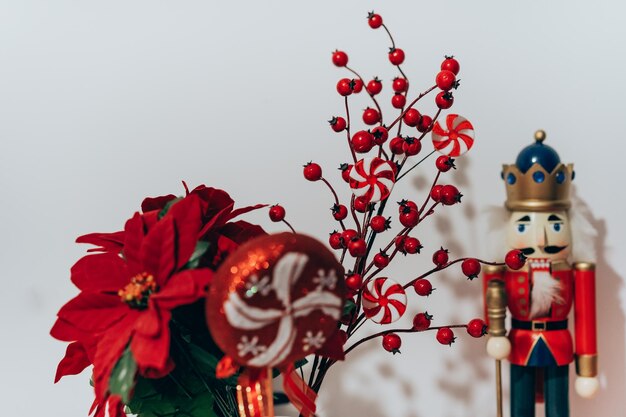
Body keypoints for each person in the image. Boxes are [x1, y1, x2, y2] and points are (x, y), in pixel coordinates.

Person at [483, 130, 598, 417]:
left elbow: (585, 317)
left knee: (558, 409)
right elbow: (493, 301)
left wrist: (587, 368)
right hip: (519, 343)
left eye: (555, 225)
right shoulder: (502, 268)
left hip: (559, 345)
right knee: (520, 408)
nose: (542, 237)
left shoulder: (576, 270)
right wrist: (494, 334)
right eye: (523, 226)